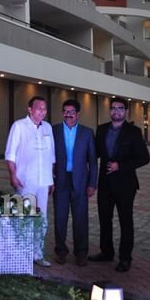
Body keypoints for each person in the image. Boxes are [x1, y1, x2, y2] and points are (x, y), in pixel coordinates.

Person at [89, 97, 150, 272]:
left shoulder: (133, 132)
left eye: (120, 108)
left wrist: (120, 166)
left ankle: (125, 258)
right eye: (113, 108)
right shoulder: (101, 130)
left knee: (125, 222)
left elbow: (144, 158)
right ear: (110, 111)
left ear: (126, 111)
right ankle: (106, 252)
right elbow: (95, 154)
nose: (116, 111)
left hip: (125, 185)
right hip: (105, 184)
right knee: (104, 221)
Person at [5, 96, 55, 267]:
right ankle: (21, 253)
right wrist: (13, 174)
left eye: (44, 109)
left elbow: (51, 156)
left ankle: (38, 254)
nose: (42, 111)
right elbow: (10, 153)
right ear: (30, 109)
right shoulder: (19, 126)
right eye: (38, 108)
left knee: (42, 218)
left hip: (44, 180)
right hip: (25, 180)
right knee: (24, 216)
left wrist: (51, 179)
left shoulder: (47, 128)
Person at [52, 99, 97, 266]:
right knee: (60, 218)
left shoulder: (87, 133)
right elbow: (50, 157)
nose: (68, 114)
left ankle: (81, 253)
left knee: (80, 219)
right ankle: (61, 251)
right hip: (61, 181)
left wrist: (92, 183)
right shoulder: (54, 130)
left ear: (78, 114)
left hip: (80, 182)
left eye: (71, 111)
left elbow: (92, 161)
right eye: (65, 111)